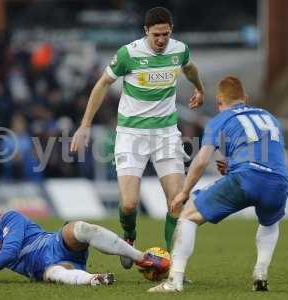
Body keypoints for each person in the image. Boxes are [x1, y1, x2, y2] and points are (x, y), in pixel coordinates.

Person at [70, 7, 205, 269]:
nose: (161, 40)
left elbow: (189, 68)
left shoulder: (179, 50)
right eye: (156, 35)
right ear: (146, 32)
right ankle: (129, 236)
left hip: (166, 133)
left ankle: (173, 267)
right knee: (130, 204)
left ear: (171, 32)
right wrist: (85, 124)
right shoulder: (128, 54)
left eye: (165, 34)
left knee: (177, 202)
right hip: (131, 135)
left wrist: (199, 88)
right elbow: (102, 84)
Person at [149, 76, 288, 293]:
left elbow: (202, 160)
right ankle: (260, 272)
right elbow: (269, 155)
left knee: (188, 215)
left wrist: (184, 192)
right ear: (246, 98)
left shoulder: (219, 120)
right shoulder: (269, 117)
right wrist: (234, 165)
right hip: (279, 182)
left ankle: (174, 281)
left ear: (219, 102)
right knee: (270, 222)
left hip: (246, 178)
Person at [0, 192, 169, 285]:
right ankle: (95, 279)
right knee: (54, 274)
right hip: (44, 267)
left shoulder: (12, 218)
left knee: (81, 227)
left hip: (55, 243)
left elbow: (9, 254)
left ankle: (142, 258)